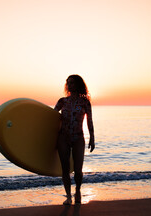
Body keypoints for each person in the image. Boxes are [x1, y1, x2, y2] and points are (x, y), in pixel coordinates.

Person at [54, 74, 95, 205]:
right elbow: (52, 118)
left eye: (72, 83)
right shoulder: (62, 101)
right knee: (65, 169)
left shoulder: (85, 102)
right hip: (63, 138)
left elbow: (89, 121)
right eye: (68, 83)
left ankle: (77, 190)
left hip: (78, 138)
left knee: (78, 170)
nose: (69, 85)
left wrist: (92, 138)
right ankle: (68, 196)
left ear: (78, 84)